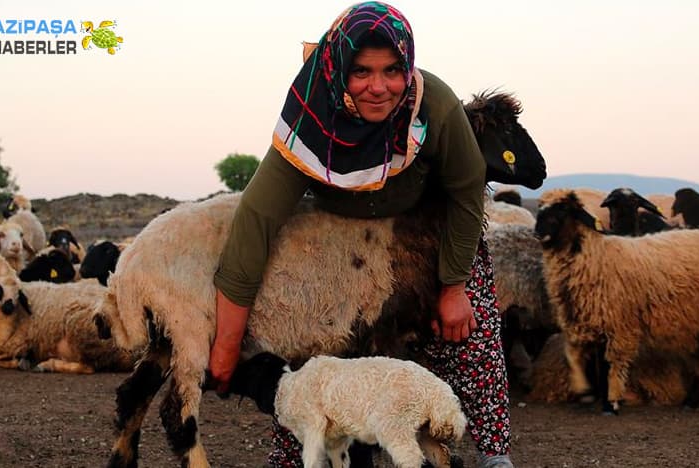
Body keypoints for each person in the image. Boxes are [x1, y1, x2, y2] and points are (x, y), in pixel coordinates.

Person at [210, 2, 513, 467]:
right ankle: (301, 456)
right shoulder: (310, 113)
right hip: (343, 249)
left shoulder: (432, 104)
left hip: (424, 237)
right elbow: (256, 218)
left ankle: (493, 454)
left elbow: (468, 189)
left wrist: (453, 285)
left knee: (470, 332)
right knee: (315, 359)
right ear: (337, 69)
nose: (379, 87)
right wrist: (226, 349)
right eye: (362, 71)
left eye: (393, 70)